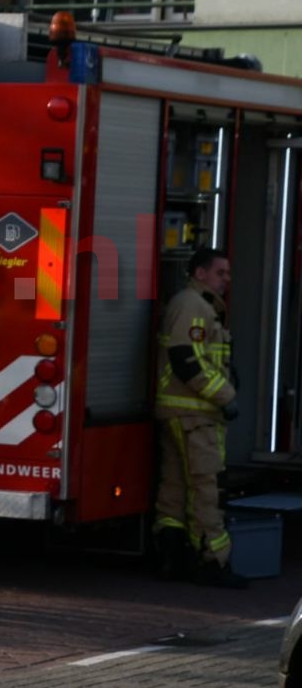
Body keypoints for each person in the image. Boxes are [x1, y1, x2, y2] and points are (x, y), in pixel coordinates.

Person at [153, 246, 248, 589]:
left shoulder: (196, 305)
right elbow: (187, 360)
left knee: (176, 491)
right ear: (200, 273)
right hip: (194, 416)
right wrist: (226, 396)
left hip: (184, 414)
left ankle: (174, 559)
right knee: (205, 488)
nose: (227, 280)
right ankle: (212, 563)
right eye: (221, 273)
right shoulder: (193, 306)